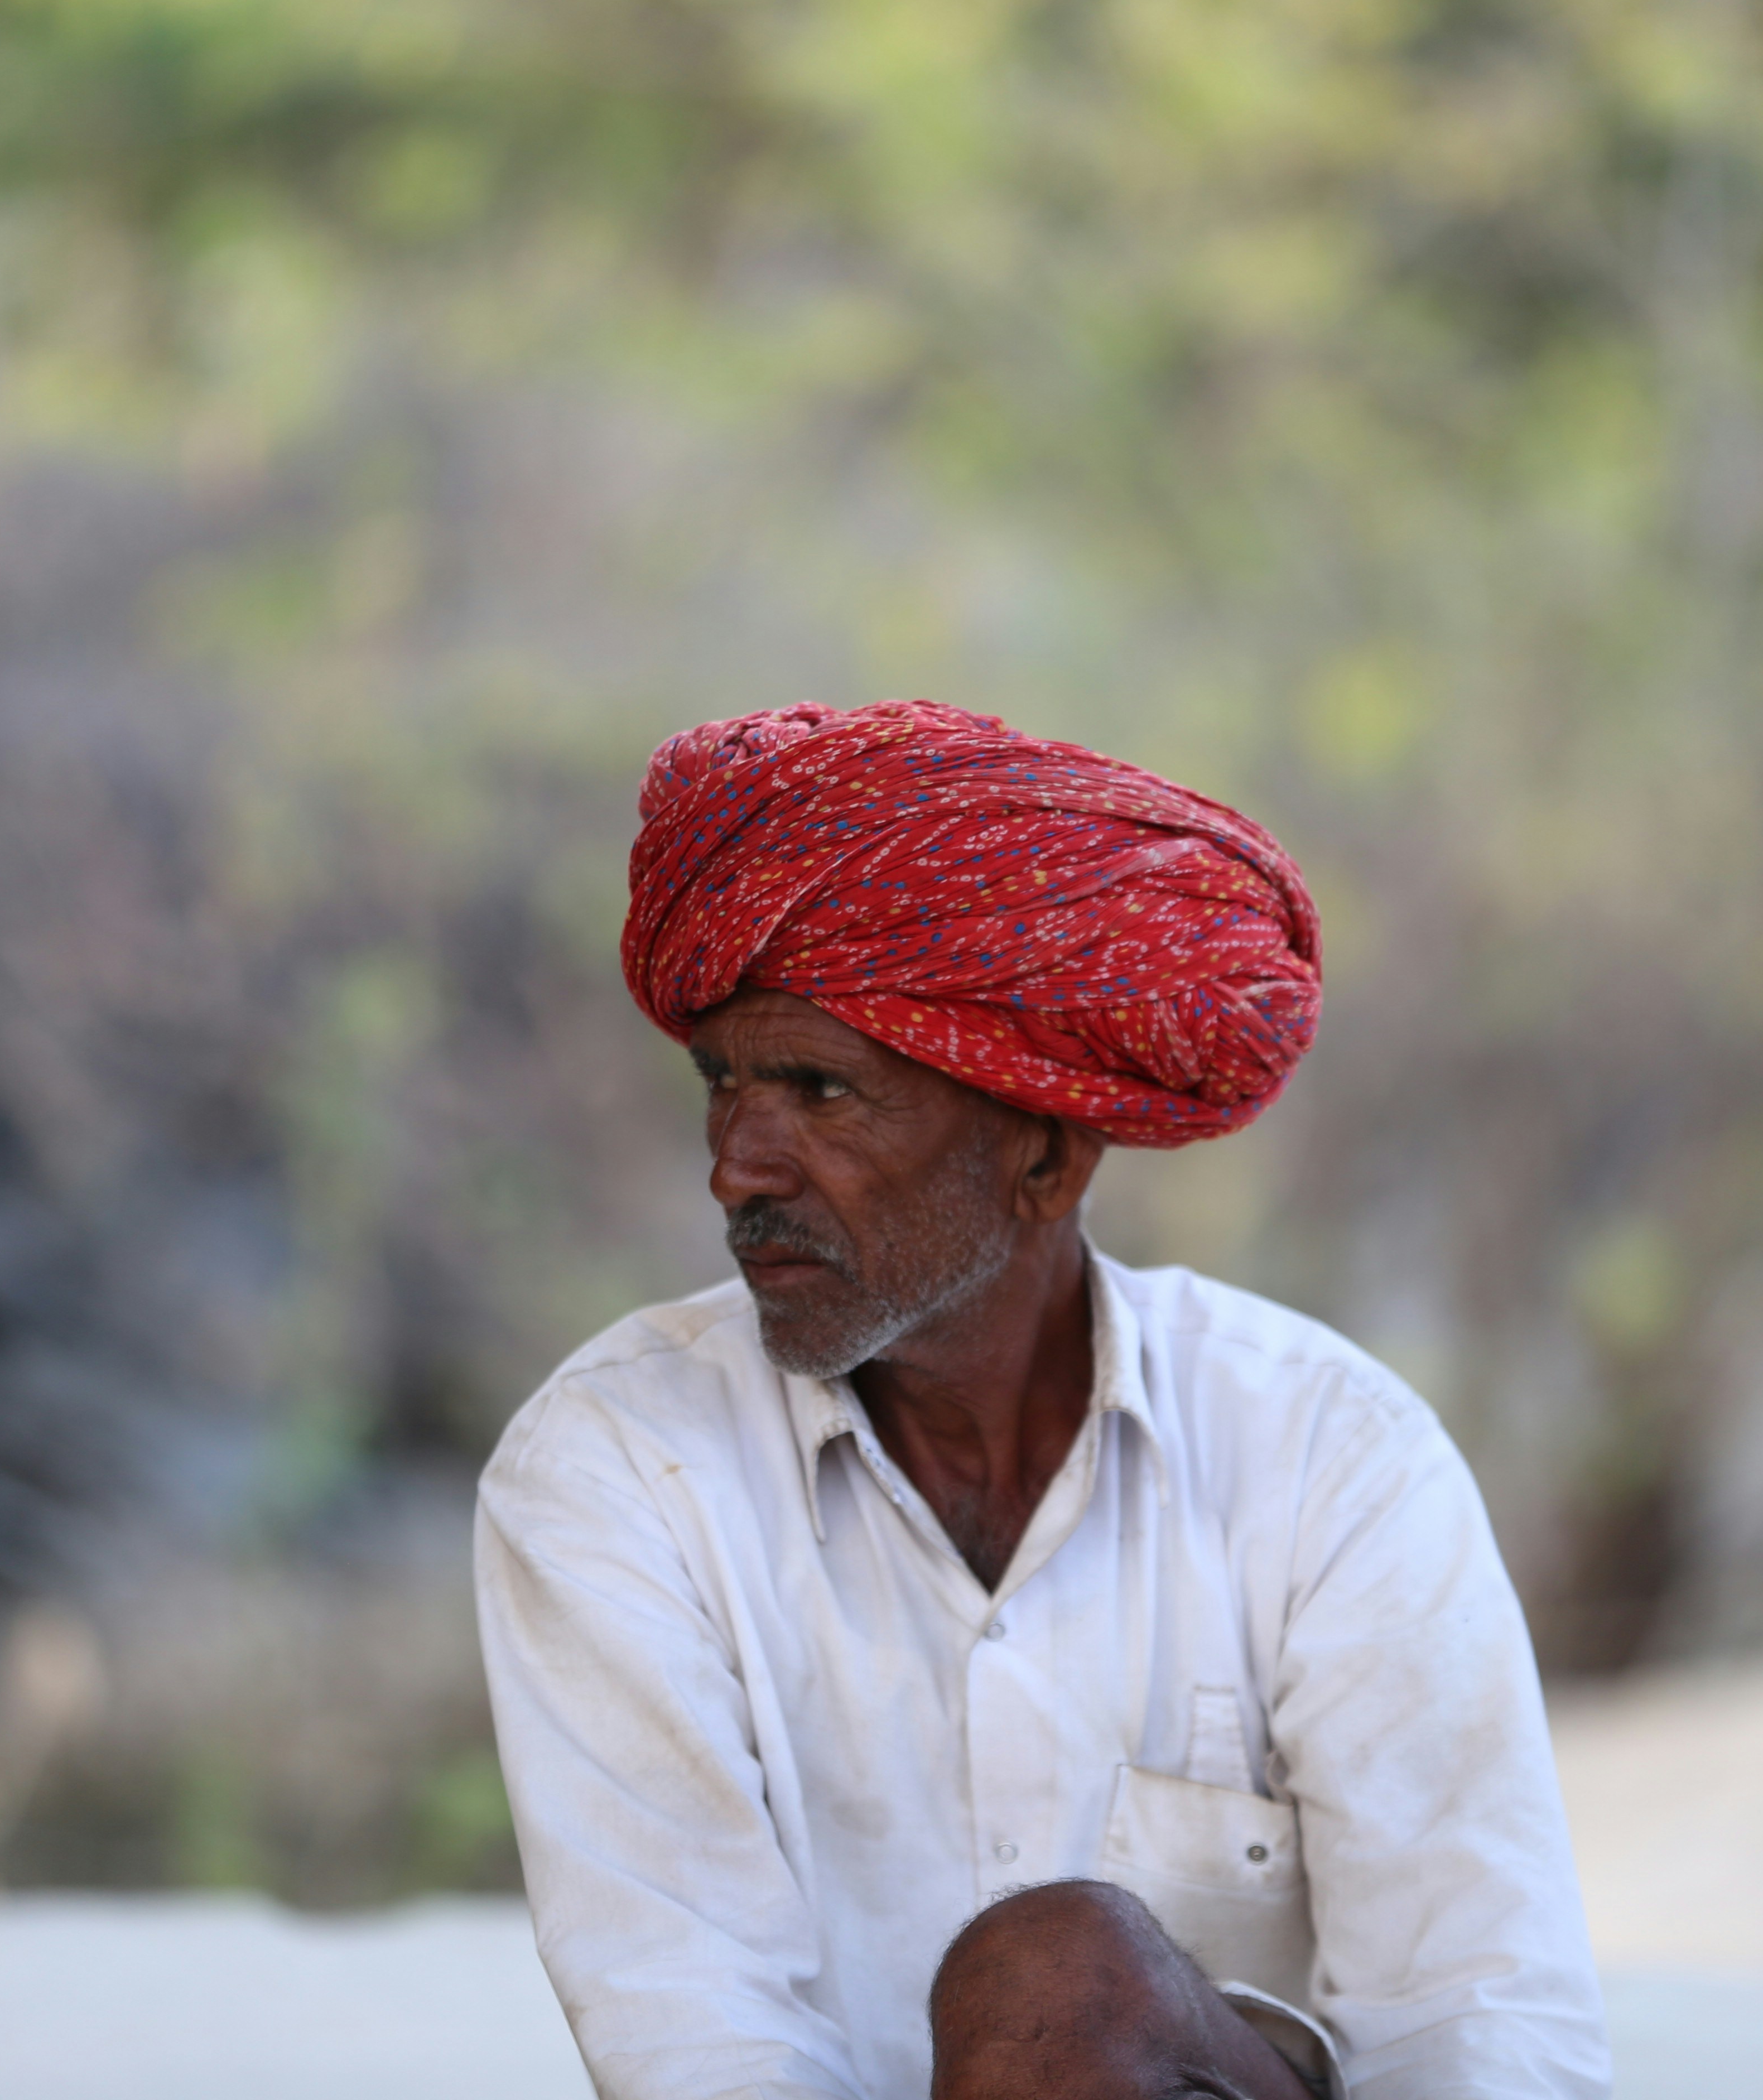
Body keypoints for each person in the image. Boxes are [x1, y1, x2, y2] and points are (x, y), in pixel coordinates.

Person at [475, 701, 1612, 2100]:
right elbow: (697, 2043)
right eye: (723, 1084)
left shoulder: (1329, 1454)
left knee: (1063, 1985)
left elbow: (1477, 2026)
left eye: (821, 1092)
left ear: (1047, 1158)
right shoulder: (612, 1473)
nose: (736, 1168)